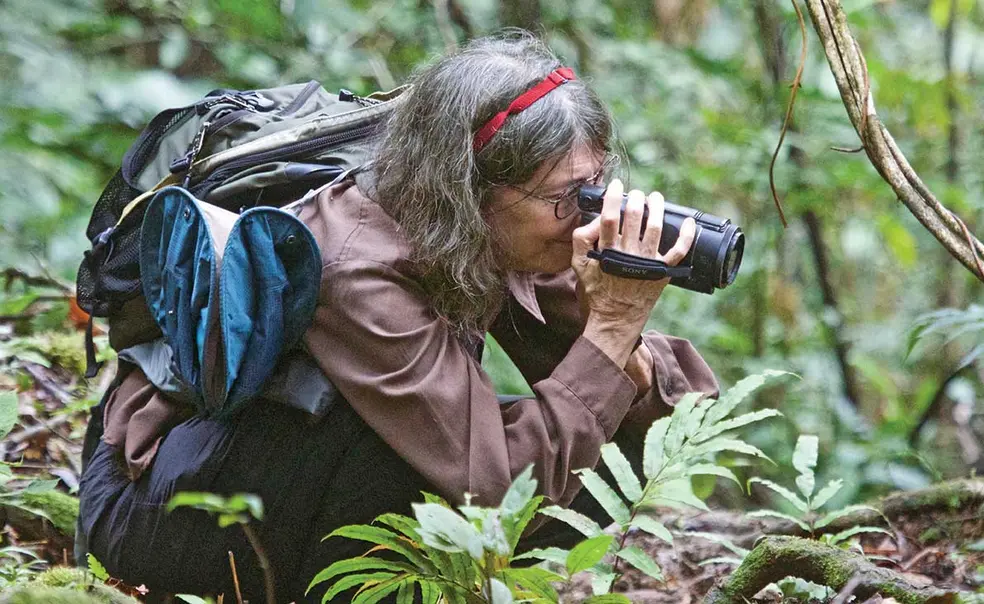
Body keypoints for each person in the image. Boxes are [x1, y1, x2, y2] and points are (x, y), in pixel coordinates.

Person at [77, 30, 718, 603]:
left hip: (263, 483)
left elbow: (681, 415)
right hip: (153, 505)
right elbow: (496, 487)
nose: (585, 211)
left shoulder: (501, 226)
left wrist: (621, 332)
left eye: (594, 185)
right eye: (564, 196)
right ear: (472, 188)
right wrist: (609, 332)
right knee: (396, 448)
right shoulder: (355, 265)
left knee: (611, 435)